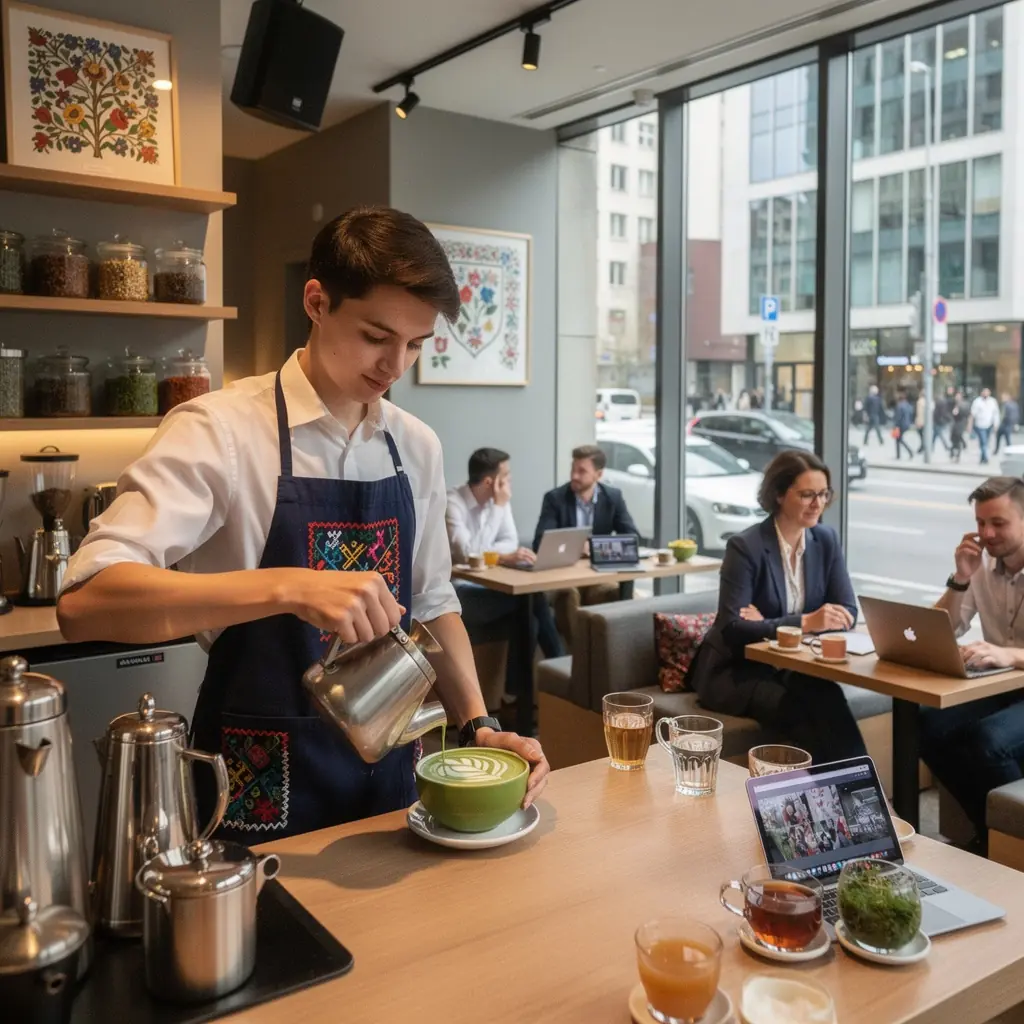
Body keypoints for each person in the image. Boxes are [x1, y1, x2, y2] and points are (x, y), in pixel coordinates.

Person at [57, 206, 548, 841]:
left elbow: (430, 599)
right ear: (316, 301)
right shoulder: (222, 430)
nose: (395, 365)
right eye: (377, 336)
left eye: (416, 344)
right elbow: (85, 601)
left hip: (391, 780)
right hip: (254, 787)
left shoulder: (415, 445)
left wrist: (478, 723)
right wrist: (289, 586)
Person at [687, 451, 867, 763]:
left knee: (828, 695)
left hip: (795, 667)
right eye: (807, 494)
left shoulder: (826, 540)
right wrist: (807, 622)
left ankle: (861, 792)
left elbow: (847, 611)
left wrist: (769, 622)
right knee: (800, 711)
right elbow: (733, 629)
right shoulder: (746, 547)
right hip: (738, 672)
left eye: (824, 494)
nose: (818, 503)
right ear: (779, 495)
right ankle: (848, 798)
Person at [920, 476, 1024, 851]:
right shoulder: (980, 566)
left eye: (999, 522)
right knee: (924, 722)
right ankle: (990, 832)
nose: (987, 533)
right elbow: (942, 629)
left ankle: (1007, 842)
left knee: (988, 741)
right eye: (981, 523)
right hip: (999, 685)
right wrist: (961, 578)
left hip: (1013, 682)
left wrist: (1010, 655)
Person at [446, 448, 539, 707]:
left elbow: (510, 541)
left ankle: (515, 698)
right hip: (460, 592)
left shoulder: (500, 501)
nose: (509, 482)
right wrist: (498, 509)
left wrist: (495, 554)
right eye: (506, 476)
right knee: (530, 604)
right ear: (490, 482)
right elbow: (466, 553)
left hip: (489, 587)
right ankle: (521, 694)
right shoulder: (453, 502)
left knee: (530, 609)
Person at [533, 445, 638, 543]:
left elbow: (632, 538)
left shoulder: (613, 498)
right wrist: (576, 546)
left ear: (599, 474)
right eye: (573, 469)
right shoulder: (555, 499)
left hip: (599, 561)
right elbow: (540, 543)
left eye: (582, 471)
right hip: (567, 562)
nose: (574, 476)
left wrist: (597, 547)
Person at [970, 387, 1000, 465]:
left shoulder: (993, 401)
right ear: (982, 393)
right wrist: (970, 424)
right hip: (980, 425)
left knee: (985, 442)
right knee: (983, 442)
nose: (986, 394)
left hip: (989, 425)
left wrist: (996, 425)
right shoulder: (977, 402)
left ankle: (982, 458)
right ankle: (985, 458)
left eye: (987, 392)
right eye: (984, 392)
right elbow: (973, 414)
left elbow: (995, 414)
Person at [892, 389, 915, 460]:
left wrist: (895, 426)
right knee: (898, 439)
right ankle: (899, 455)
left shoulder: (899, 406)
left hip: (900, 425)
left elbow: (898, 417)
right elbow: (911, 414)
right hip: (907, 424)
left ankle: (908, 452)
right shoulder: (909, 406)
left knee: (899, 439)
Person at [932, 387, 953, 454]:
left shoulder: (939, 402)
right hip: (940, 420)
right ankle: (932, 446)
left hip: (938, 421)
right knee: (936, 435)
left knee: (938, 434)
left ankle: (945, 446)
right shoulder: (943, 402)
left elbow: (938, 413)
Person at [950, 390, 968, 462]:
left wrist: (958, 410)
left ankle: (958, 454)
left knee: (958, 436)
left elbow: (964, 414)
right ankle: (954, 451)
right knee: (953, 438)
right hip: (955, 423)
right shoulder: (954, 404)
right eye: (956, 396)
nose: (956, 398)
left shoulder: (963, 404)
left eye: (958, 396)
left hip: (960, 423)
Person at [914, 390, 927, 454]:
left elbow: (919, 413)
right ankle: (923, 446)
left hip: (921, 421)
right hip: (926, 421)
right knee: (923, 435)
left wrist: (919, 422)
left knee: (921, 434)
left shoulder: (919, 402)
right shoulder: (927, 401)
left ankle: (922, 447)